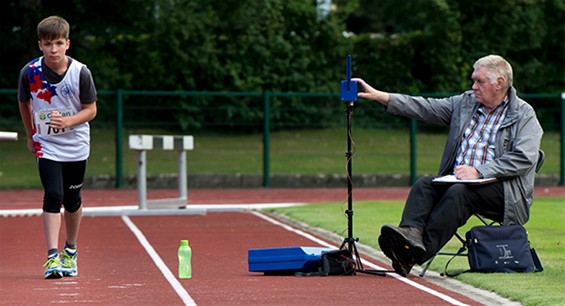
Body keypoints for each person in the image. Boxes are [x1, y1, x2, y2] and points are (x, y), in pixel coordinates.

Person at [354, 54, 543, 277]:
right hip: (461, 182)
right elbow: (424, 107)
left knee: (460, 192)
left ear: (499, 83)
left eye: (479, 81)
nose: (473, 86)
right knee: (425, 183)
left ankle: (414, 255)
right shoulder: (464, 103)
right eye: (473, 80)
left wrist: (480, 171)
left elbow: (524, 157)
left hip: (505, 193)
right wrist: (381, 96)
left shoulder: (524, 114)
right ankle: (410, 235)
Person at [17, 16, 97, 279]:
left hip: (75, 145)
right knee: (53, 195)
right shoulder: (30, 73)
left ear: (68, 44)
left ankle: (70, 251)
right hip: (47, 144)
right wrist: (31, 135)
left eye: (59, 43)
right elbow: (24, 103)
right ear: (40, 44)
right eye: (48, 43)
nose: (53, 49)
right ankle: (52, 256)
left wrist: (68, 121)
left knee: (72, 200)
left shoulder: (80, 73)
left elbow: (91, 110)